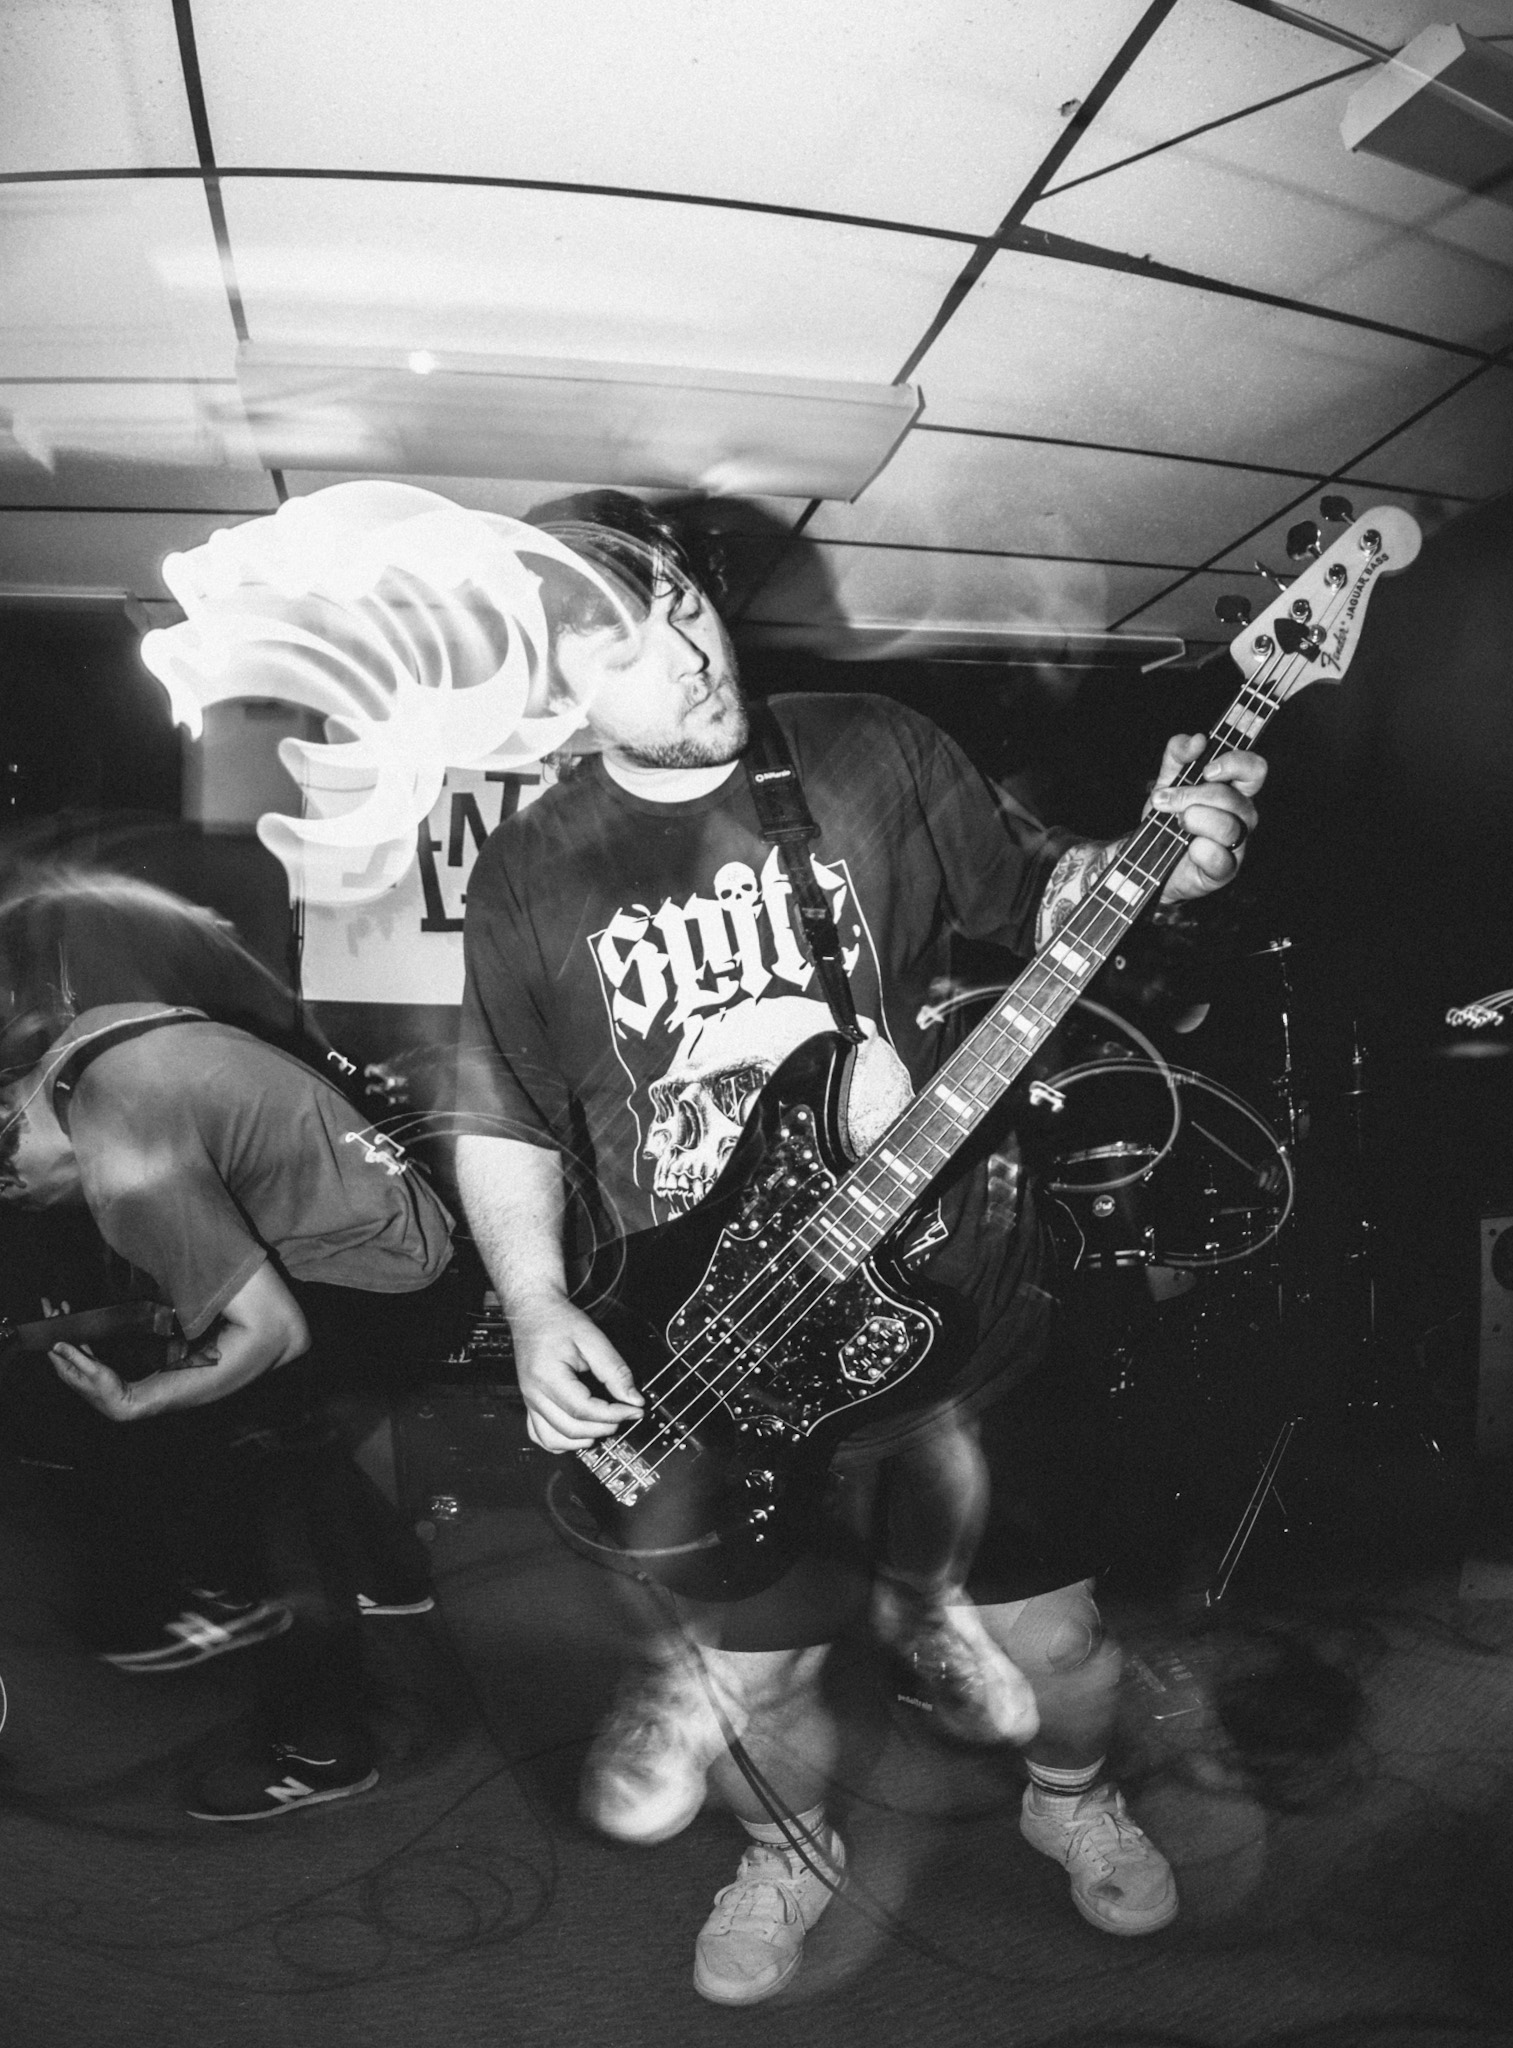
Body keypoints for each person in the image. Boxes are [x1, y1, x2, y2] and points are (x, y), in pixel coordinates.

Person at [454, 497, 1264, 2003]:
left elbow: (1044, 897)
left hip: (959, 1303)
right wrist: (535, 1298)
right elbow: (501, 1106)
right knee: (753, 1679)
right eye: (626, 648)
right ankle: (790, 1849)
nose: (692, 656)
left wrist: (1163, 864)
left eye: (687, 606)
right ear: (545, 693)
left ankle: (1072, 1795)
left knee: (1063, 1646)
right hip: (722, 1346)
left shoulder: (866, 748)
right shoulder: (525, 870)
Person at [0, 998, 455, 1818]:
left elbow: (274, 1333)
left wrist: (136, 1400)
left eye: (21, 1193)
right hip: (406, 1233)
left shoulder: (122, 1164)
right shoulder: (91, 1037)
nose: (39, 1203)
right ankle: (390, 1573)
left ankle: (321, 1749)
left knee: (261, 1490)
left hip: (378, 1285)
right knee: (279, 1429)